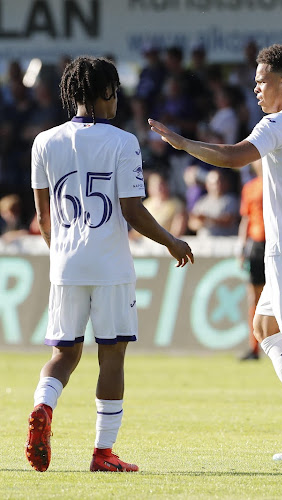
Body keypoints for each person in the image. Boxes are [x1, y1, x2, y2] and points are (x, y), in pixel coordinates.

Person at [149, 44, 282, 461]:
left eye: (261, 81)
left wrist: (184, 144)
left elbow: (234, 156)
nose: (255, 88)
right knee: (264, 326)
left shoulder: (279, 123)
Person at [26, 56, 194, 473]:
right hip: (110, 266)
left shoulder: (43, 142)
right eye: (115, 91)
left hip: (64, 265)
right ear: (104, 93)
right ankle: (103, 453)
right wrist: (172, 241)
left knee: (63, 355)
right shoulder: (122, 142)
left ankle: (43, 407)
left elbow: (43, 218)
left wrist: (61, 252)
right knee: (112, 356)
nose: (117, 99)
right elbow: (133, 211)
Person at [238, 161, 265, 361]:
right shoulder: (250, 187)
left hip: (277, 245)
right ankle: (254, 347)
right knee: (254, 298)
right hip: (256, 246)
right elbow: (246, 218)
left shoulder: (280, 184)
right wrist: (242, 247)